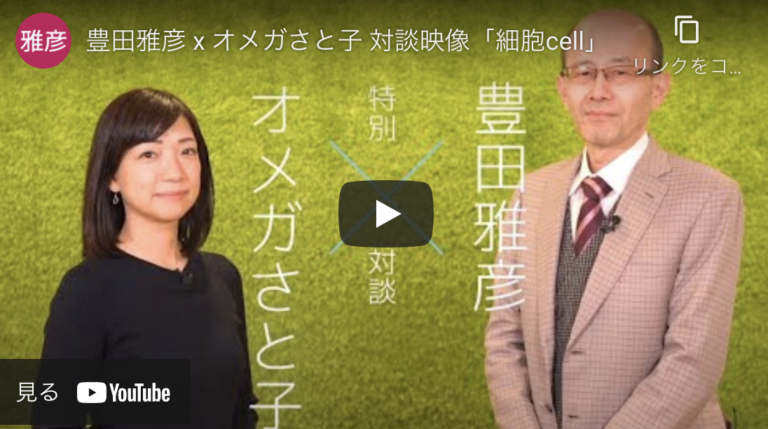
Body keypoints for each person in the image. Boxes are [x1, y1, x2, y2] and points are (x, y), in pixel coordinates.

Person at [485, 9, 745, 429]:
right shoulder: (530, 193)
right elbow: (505, 335)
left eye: (620, 72)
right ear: (563, 89)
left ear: (658, 89)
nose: (599, 91)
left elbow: (693, 361)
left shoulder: (710, 197)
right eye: (584, 72)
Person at [39, 88, 258, 428]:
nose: (174, 172)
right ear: (112, 177)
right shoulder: (87, 290)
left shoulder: (223, 276)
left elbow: (240, 411)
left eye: (187, 151)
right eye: (149, 154)